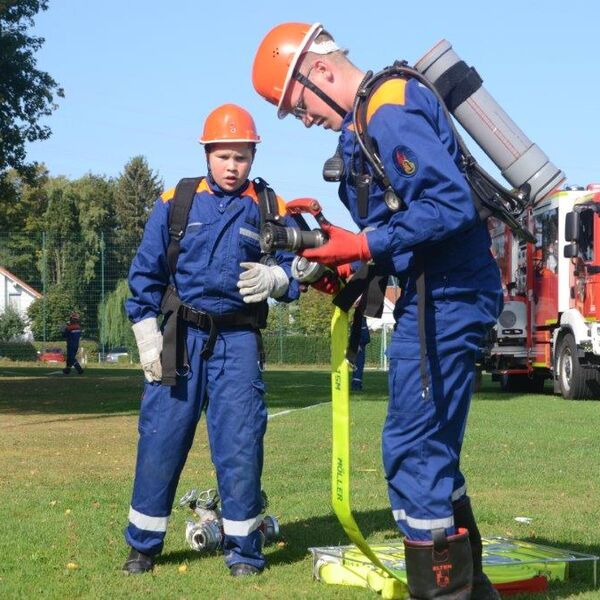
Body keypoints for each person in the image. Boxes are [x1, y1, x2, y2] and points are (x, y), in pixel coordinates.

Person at [253, 24, 503, 599]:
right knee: (427, 447)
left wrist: (359, 246)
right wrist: (337, 240)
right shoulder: (370, 118)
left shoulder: (386, 110)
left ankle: (447, 593)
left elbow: (449, 205)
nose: (303, 119)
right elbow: (404, 224)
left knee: (413, 450)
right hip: (437, 289)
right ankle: (472, 589)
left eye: (296, 108)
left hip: (448, 292)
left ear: (316, 71)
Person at [122, 104, 300, 577]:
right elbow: (145, 271)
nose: (231, 166)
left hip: (238, 341)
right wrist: (144, 333)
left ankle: (244, 550)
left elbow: (298, 267)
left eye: (241, 157)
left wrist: (278, 278)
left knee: (241, 442)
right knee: (160, 437)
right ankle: (143, 546)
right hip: (179, 336)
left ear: (253, 157)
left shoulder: (268, 206)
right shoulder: (175, 201)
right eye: (223, 156)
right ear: (207, 154)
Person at [351, 315, 370, 392]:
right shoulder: (361, 321)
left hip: (356, 346)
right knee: (358, 366)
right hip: (359, 347)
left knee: (356, 367)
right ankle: (356, 386)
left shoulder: (358, 321)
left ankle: (356, 385)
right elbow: (365, 337)